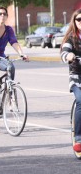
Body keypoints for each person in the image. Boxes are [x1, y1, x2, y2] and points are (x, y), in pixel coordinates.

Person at [0, 6, 29, 127]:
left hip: (0, 57)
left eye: (4, 14)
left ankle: (10, 94)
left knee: (10, 66)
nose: (2, 16)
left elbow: (14, 42)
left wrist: (22, 53)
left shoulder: (8, 29)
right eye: (0, 14)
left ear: (7, 16)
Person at [60, 8, 81, 152]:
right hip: (77, 77)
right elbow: (64, 51)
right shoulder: (71, 38)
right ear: (74, 21)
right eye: (79, 19)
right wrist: (68, 56)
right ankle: (79, 138)